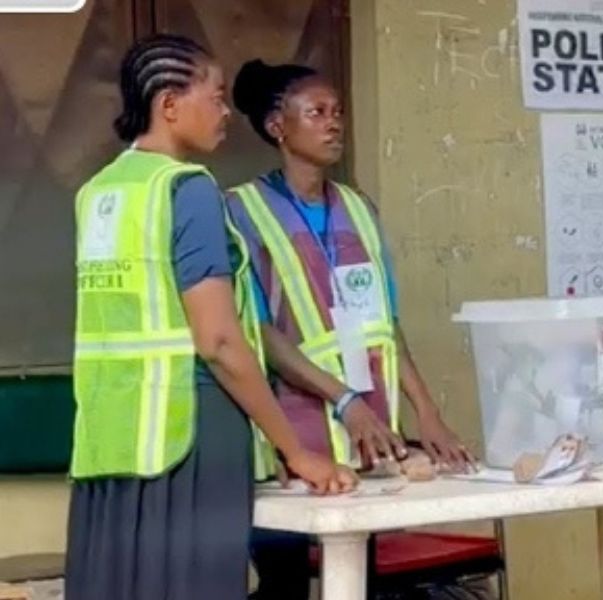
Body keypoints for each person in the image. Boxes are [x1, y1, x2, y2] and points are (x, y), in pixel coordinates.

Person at [65, 34, 357, 600]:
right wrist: (294, 450)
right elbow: (219, 340)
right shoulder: (187, 190)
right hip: (190, 436)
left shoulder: (98, 193)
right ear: (169, 105)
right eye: (216, 97)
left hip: (109, 440)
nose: (226, 113)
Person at [224, 59, 475, 598]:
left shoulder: (359, 209)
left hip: (368, 435)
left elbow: (386, 324)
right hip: (291, 436)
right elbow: (259, 333)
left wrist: (426, 412)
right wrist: (343, 401)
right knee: (284, 582)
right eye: (316, 112)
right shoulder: (242, 210)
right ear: (277, 126)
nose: (334, 124)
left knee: (361, 577)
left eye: (337, 112)